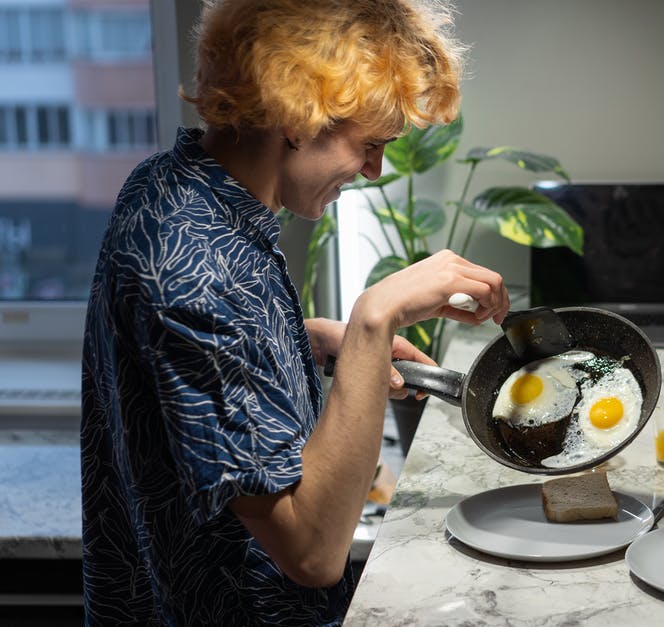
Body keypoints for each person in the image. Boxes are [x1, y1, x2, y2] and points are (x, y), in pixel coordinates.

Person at [79, 1, 509, 624]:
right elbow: (311, 553)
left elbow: (187, 368)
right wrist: (371, 320)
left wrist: (309, 339)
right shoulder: (195, 261)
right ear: (295, 113)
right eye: (369, 143)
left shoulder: (174, 186)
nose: (375, 168)